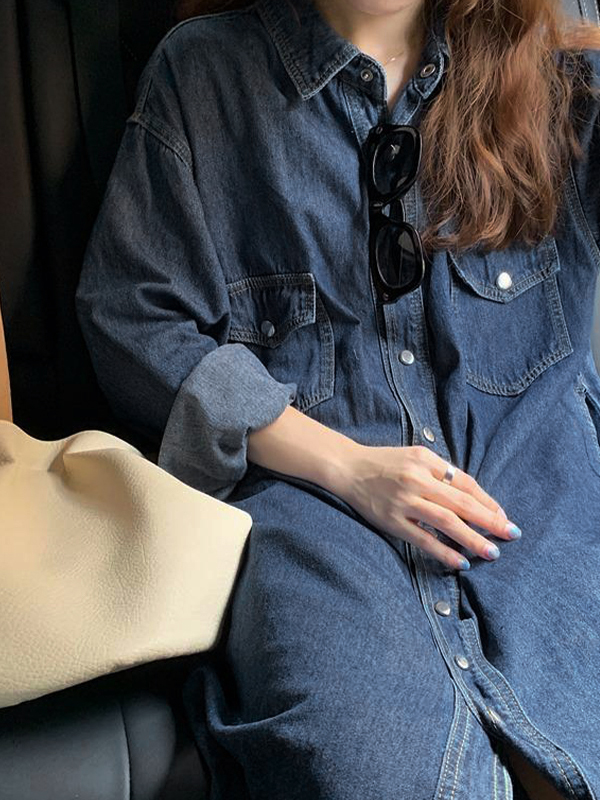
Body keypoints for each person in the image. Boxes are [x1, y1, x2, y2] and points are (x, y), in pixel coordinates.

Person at [76, 0, 600, 797]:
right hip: (315, 522)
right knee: (371, 773)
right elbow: (134, 318)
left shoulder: (562, 72)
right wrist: (348, 467)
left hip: (548, 498)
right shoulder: (203, 74)